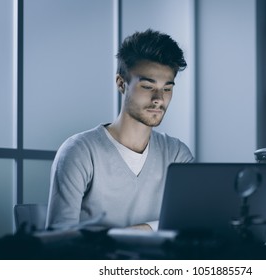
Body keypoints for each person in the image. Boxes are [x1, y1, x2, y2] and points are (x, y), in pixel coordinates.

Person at [46, 29, 194, 231]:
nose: (159, 98)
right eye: (148, 86)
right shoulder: (79, 151)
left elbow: (189, 225)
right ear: (121, 83)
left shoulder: (177, 155)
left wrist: (138, 230)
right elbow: (59, 241)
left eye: (167, 88)